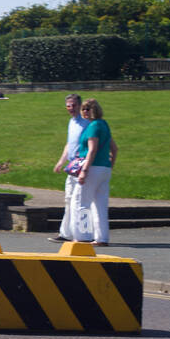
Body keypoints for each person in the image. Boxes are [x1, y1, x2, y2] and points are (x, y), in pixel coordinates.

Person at [71, 99, 117, 246]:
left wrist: (84, 171)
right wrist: (111, 165)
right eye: (83, 109)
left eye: (86, 109)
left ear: (92, 111)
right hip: (104, 168)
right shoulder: (104, 125)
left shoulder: (93, 126)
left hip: (92, 168)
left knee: (81, 202)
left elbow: (92, 150)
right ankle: (102, 238)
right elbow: (114, 149)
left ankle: (84, 236)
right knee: (101, 205)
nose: (83, 112)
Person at [51, 93, 88, 242]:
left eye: (74, 105)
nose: (71, 108)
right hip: (72, 167)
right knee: (68, 199)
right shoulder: (71, 123)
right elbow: (69, 144)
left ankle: (84, 233)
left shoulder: (87, 124)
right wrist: (61, 161)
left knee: (81, 201)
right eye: (68, 105)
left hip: (83, 166)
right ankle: (65, 234)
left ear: (80, 106)